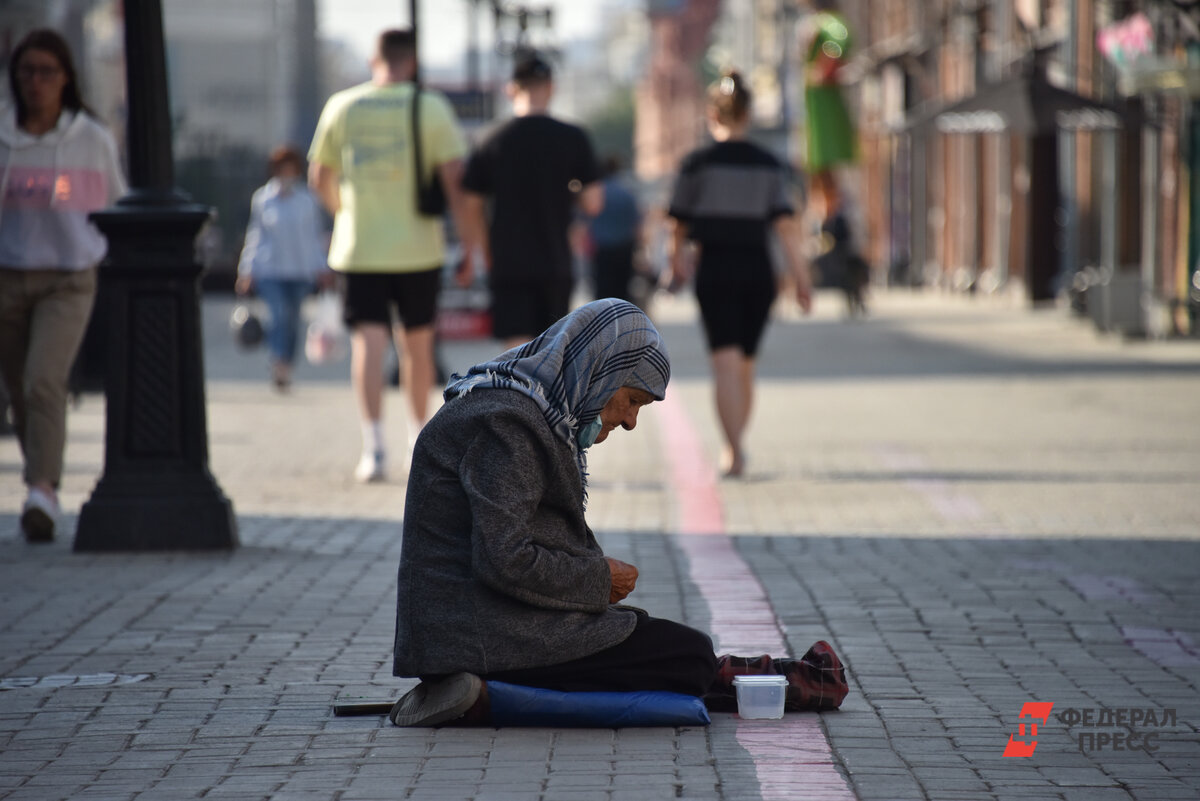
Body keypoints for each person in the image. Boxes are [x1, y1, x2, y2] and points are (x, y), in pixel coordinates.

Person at [388, 298, 847, 727]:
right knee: (686, 655)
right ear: (601, 375)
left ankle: (782, 677)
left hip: (485, 623)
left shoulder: (527, 412)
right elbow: (504, 559)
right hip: (475, 633)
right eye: (632, 400)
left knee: (654, 640)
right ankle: (480, 691)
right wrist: (598, 578)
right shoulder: (507, 424)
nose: (630, 421)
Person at [308, 28, 469, 482]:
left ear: (372, 60)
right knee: (417, 347)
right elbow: (455, 176)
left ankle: (373, 448)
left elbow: (319, 175)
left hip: (358, 247)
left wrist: (344, 212)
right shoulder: (430, 106)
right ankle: (419, 442)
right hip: (418, 247)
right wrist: (470, 241)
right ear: (412, 62)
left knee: (369, 344)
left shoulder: (342, 105)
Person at [0, 28, 127, 542]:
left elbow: (115, 205)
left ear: (66, 78)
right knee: (20, 393)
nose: (36, 82)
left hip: (69, 278)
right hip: (7, 276)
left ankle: (42, 491)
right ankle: (41, 483)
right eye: (27, 71)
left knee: (43, 380)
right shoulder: (3, 134)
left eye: (47, 72)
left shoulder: (90, 139)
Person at [666, 70, 813, 479]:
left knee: (725, 364)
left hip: (715, 268)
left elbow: (676, 223)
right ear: (748, 113)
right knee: (745, 365)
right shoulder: (768, 165)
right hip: (757, 271)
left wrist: (675, 261)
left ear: (712, 113)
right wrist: (802, 279)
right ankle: (737, 444)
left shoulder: (696, 164)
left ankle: (732, 449)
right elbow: (786, 227)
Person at [460, 52, 603, 351]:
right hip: (555, 260)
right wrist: (569, 191)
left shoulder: (489, 139)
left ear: (511, 88)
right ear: (551, 88)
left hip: (507, 261)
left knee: (515, 354)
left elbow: (470, 206)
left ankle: (519, 399)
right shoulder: (573, 137)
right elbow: (593, 203)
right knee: (552, 352)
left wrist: (484, 251)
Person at [236, 145, 330, 391]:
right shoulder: (263, 199)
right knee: (278, 316)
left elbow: (313, 237)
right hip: (271, 270)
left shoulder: (307, 199)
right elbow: (256, 236)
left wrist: (322, 267)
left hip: (300, 272)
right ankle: (279, 364)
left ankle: (287, 362)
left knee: (292, 320)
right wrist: (247, 270)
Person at [802, 0, 857, 227]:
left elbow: (841, 38)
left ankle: (832, 214)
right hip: (815, 107)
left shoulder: (827, 21)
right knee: (818, 165)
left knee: (826, 164)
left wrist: (823, 71)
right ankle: (823, 215)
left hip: (825, 106)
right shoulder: (816, 21)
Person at [586, 155, 643, 304]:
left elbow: (585, 223)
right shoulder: (627, 192)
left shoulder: (596, 193)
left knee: (601, 293)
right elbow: (637, 223)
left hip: (601, 249)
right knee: (622, 292)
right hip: (624, 248)